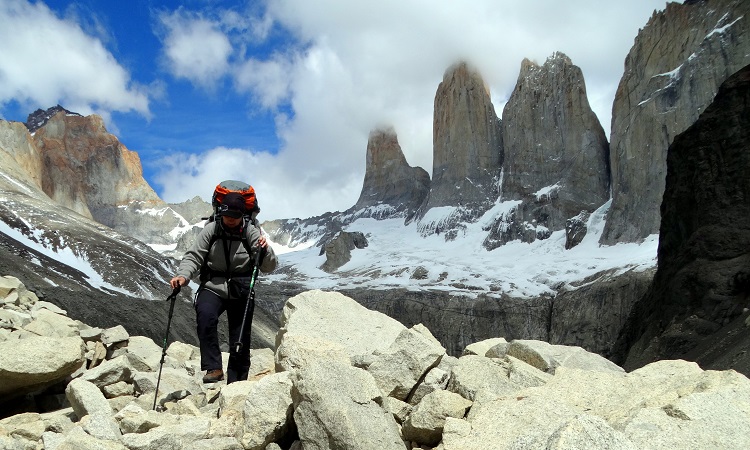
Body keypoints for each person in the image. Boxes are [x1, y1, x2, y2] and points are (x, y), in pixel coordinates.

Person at [169, 192, 277, 383]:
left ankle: (237, 383)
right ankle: (214, 368)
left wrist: (265, 249)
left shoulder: (251, 231)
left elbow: (268, 266)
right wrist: (183, 277)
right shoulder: (211, 229)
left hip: (241, 288)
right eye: (227, 216)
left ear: (242, 216)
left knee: (241, 336)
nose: (231, 221)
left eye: (235, 217)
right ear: (221, 213)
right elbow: (194, 256)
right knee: (206, 316)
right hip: (213, 285)